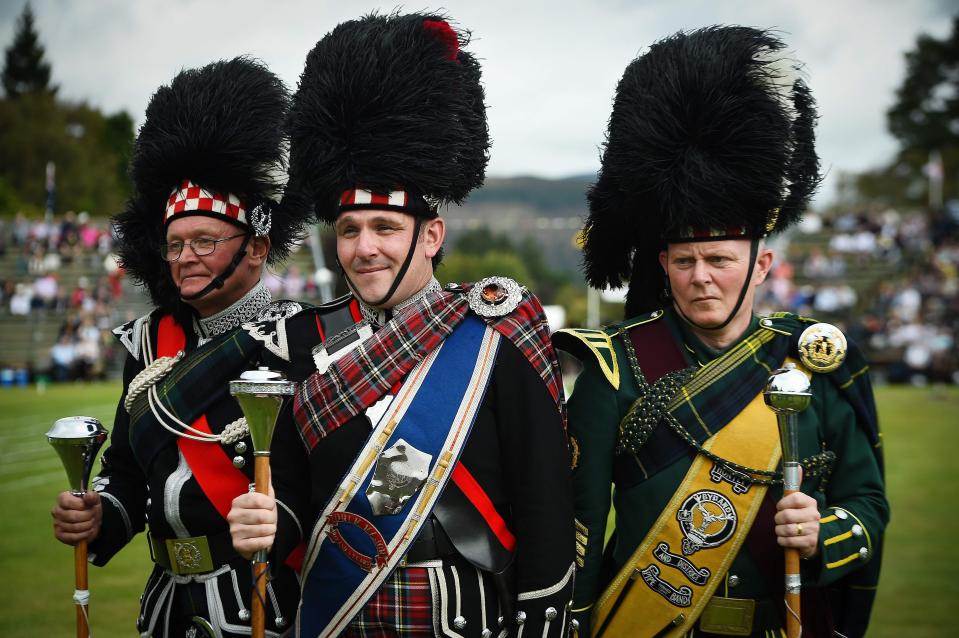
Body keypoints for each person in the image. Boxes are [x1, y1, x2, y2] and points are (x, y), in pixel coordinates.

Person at [228, 13, 575, 637]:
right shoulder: (301, 344)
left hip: (463, 612)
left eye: (386, 228)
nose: (365, 248)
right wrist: (268, 521)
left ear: (431, 235)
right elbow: (294, 494)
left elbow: (545, 497)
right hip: (339, 612)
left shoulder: (496, 330)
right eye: (350, 230)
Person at [553, 27, 888, 638]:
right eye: (685, 262)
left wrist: (822, 534)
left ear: (761, 264)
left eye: (720, 260)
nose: (701, 278)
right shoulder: (614, 368)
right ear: (663, 265)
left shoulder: (817, 359)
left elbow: (869, 505)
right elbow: (575, 524)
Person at [49, 57, 357, 637]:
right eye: (174, 244)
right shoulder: (149, 343)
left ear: (257, 249)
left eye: (205, 240)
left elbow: (326, 483)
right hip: (165, 606)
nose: (185, 257)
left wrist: (278, 523)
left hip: (260, 599)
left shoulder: (302, 341)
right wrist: (99, 517)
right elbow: (126, 477)